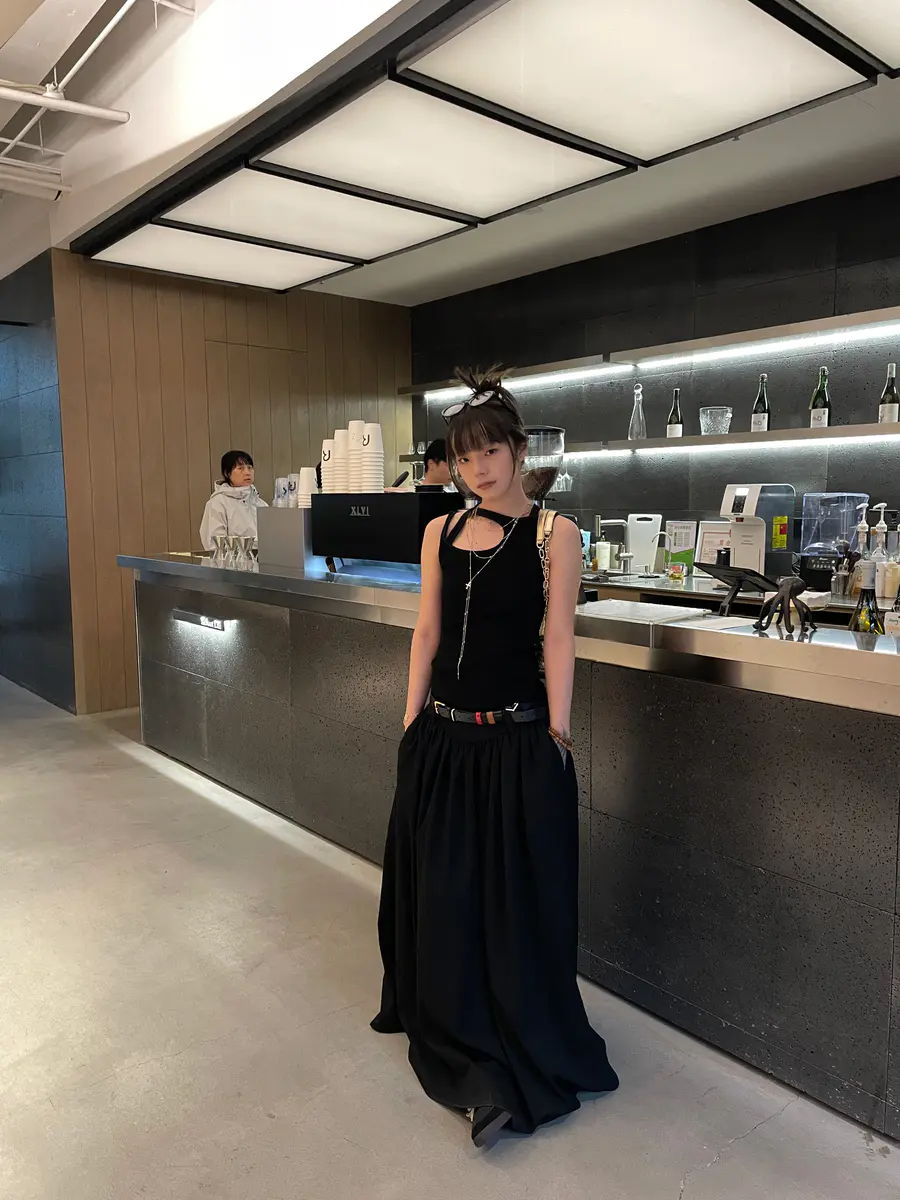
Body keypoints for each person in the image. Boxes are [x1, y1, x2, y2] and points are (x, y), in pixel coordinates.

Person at [372, 367, 618, 1149]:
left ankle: (508, 1050)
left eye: (490, 452)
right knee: (446, 896)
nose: (477, 468)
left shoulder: (555, 534)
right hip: (444, 739)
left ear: (517, 451)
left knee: (510, 906)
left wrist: (559, 735)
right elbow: (427, 632)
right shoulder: (440, 533)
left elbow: (560, 638)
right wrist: (410, 722)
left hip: (515, 742)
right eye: (463, 455)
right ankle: (461, 1042)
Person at [199, 450, 268, 551]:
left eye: (249, 467)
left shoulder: (260, 503)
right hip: (233, 560)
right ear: (227, 473)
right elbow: (214, 544)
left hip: (263, 559)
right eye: (240, 468)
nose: (247, 472)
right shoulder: (218, 503)